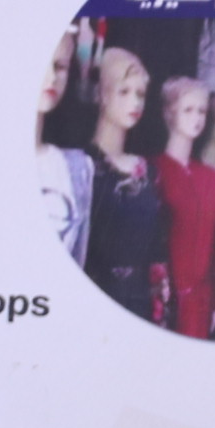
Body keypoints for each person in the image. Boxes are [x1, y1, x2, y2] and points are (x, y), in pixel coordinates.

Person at [85, 48, 168, 323]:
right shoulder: (83, 167)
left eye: (140, 94)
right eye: (124, 92)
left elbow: (156, 252)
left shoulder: (147, 172)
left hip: (139, 305)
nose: (135, 102)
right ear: (102, 94)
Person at [153, 77, 215, 339]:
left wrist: (214, 302)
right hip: (165, 301)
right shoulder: (155, 171)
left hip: (201, 303)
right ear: (169, 113)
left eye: (201, 111)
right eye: (188, 110)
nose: (196, 118)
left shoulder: (211, 178)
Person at [36, 29, 95, 266]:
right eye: (41, 64)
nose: (51, 77)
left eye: (60, 67)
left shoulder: (78, 168)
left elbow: (77, 260)